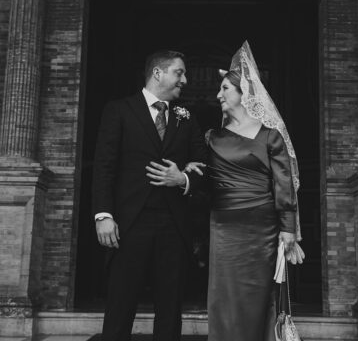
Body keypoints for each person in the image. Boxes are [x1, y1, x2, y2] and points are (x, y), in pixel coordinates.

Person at [186, 41, 304, 341]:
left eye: (225, 88)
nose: (218, 95)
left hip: (262, 228)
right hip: (224, 226)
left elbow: (284, 184)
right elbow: (205, 180)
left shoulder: (270, 136)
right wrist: (187, 173)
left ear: (244, 93)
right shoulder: (212, 138)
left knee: (258, 296)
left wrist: (288, 229)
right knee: (224, 296)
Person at [92, 50, 207, 341]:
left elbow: (203, 164)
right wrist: (103, 215)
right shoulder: (119, 110)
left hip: (173, 225)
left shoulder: (186, 117)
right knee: (120, 306)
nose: (185, 80)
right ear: (158, 73)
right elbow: (104, 166)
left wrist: (182, 179)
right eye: (179, 72)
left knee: (170, 310)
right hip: (129, 224)